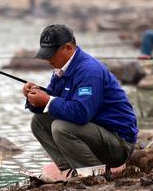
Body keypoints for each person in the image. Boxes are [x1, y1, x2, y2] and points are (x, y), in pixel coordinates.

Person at [23, 24, 138, 178]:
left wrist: (47, 100)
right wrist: (34, 97)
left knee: (61, 127)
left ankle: (94, 174)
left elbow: (81, 113)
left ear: (69, 48)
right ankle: (69, 171)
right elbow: (55, 99)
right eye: (46, 54)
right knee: (39, 121)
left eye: (51, 54)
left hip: (119, 143)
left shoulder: (89, 70)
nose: (47, 59)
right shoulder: (62, 68)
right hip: (96, 134)